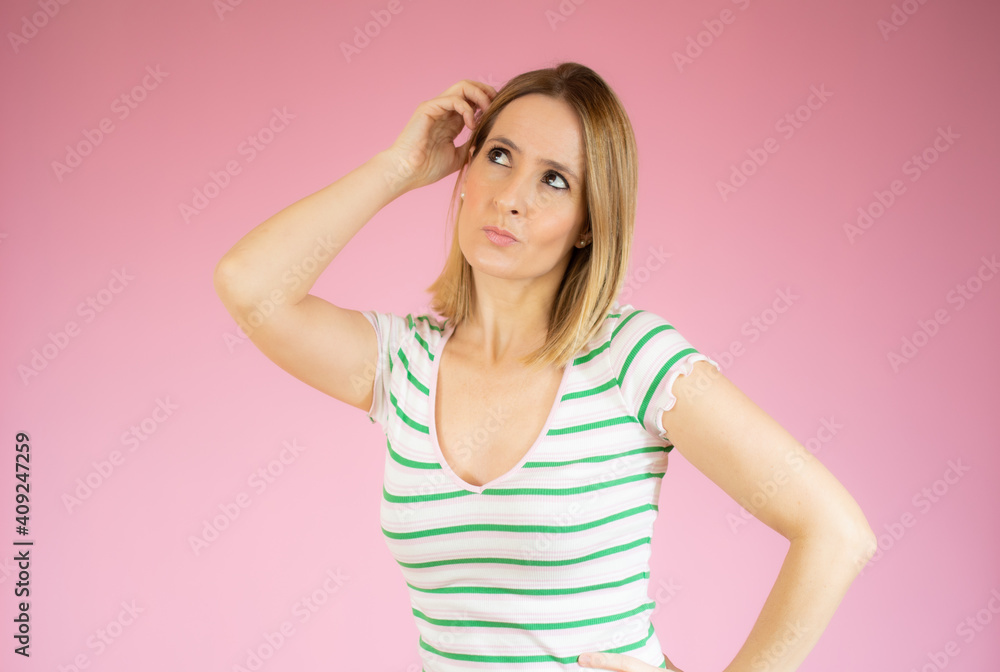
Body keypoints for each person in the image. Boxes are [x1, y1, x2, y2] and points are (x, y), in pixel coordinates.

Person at [213, 62, 878, 672]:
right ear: (466, 173)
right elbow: (249, 285)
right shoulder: (404, 365)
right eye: (498, 157)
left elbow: (836, 534)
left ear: (588, 223)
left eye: (554, 180)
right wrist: (398, 167)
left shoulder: (631, 358)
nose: (510, 196)